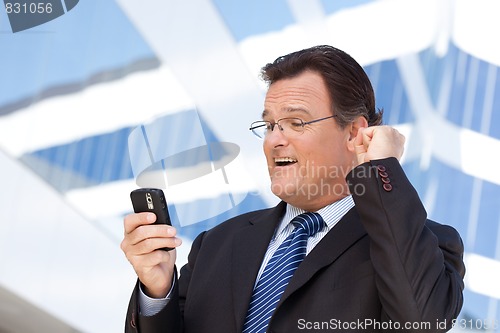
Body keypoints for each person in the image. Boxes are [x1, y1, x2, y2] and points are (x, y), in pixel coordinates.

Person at [121, 45, 465, 332]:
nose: (273, 140)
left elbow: (422, 321)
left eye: (295, 123)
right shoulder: (216, 246)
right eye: (269, 125)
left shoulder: (423, 246)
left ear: (354, 133)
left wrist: (381, 168)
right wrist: (158, 291)